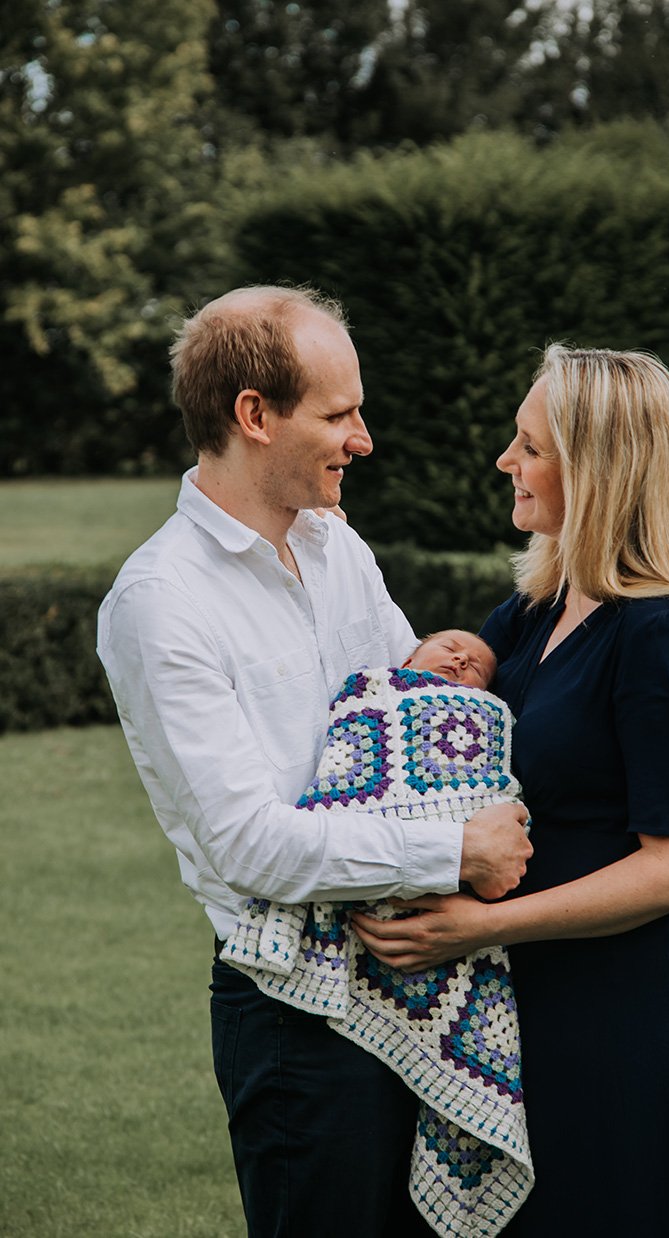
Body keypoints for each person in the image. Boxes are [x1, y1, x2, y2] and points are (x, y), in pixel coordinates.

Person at [96, 285, 531, 1238]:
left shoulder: (337, 546)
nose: (362, 438)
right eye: (338, 414)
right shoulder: (161, 603)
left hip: (425, 978)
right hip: (297, 1020)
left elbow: (413, 724)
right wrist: (455, 852)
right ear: (253, 416)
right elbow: (251, 846)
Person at [353, 343, 669, 1238]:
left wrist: (481, 926)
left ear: (600, 468)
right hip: (542, 1000)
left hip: (635, 1012)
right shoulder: (539, 609)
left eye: (528, 445)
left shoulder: (660, 630)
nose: (506, 461)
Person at [221, 628, 533, 1237]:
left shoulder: (481, 718)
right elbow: (322, 799)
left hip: (443, 941)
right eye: (450, 645)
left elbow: (493, 793)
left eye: (480, 667)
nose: (465, 659)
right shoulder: (374, 694)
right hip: (306, 996)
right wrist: (450, 849)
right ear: (409, 653)